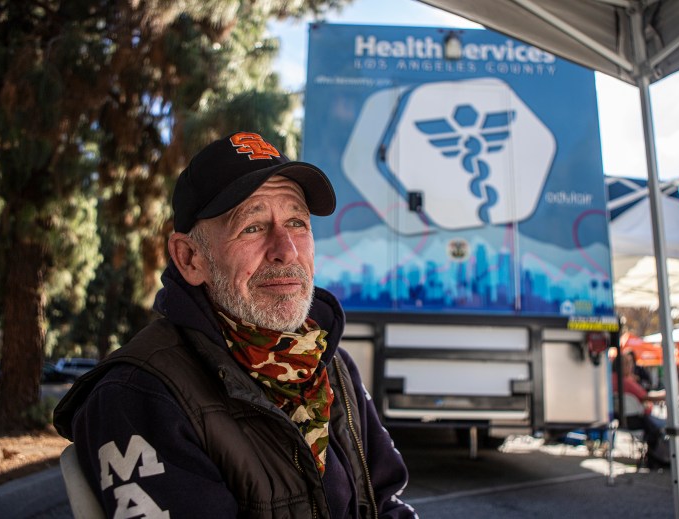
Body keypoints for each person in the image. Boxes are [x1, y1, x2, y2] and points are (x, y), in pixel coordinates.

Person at [54, 131, 416, 518]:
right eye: (253, 227)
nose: (286, 251)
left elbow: (386, 502)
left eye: (297, 222)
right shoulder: (139, 394)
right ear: (190, 258)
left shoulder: (330, 364)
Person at [613, 353, 679, 467]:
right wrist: (668, 394)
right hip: (640, 420)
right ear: (622, 365)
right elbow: (645, 396)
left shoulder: (613, 379)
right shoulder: (625, 381)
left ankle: (659, 455)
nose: (631, 366)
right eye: (629, 363)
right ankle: (662, 457)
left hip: (625, 420)